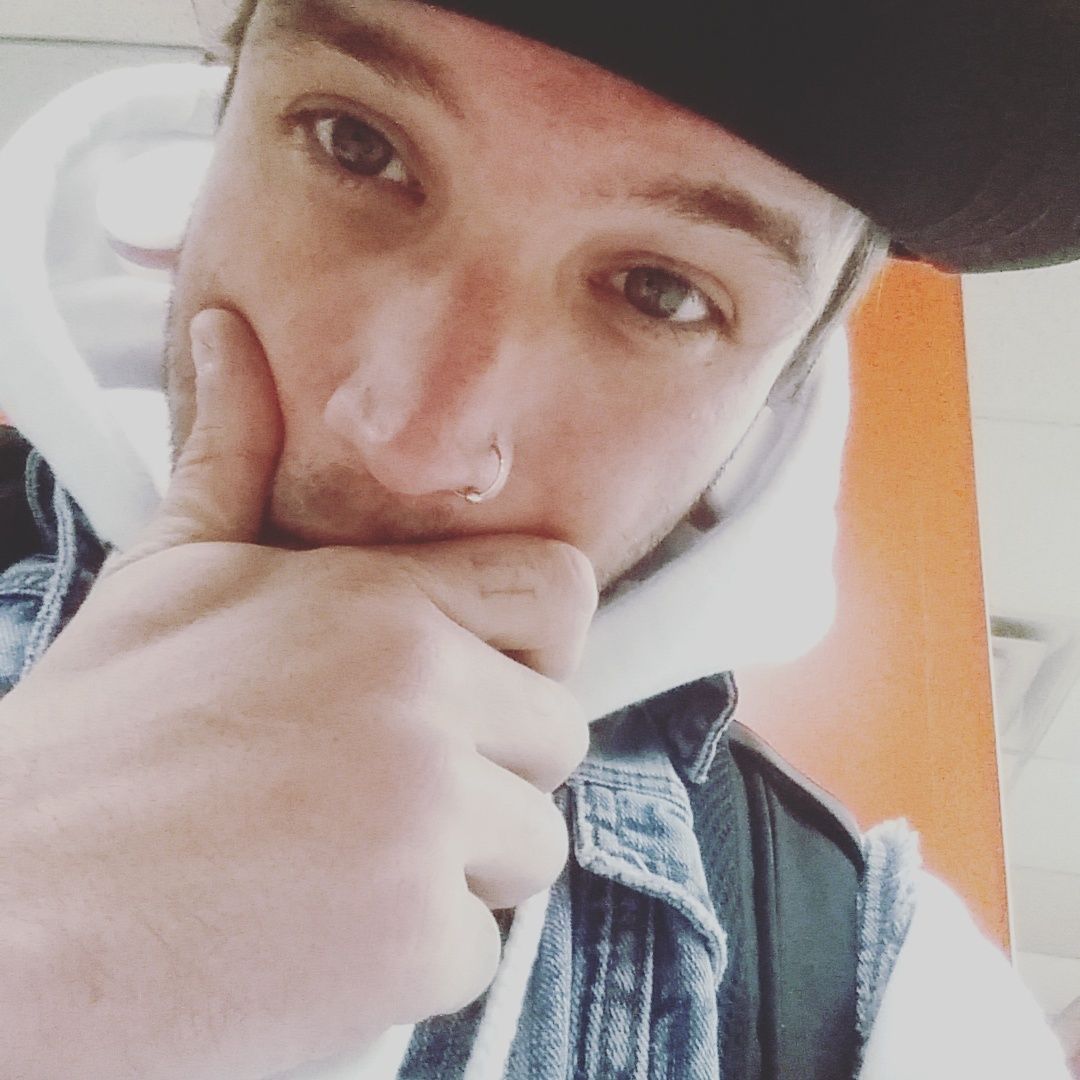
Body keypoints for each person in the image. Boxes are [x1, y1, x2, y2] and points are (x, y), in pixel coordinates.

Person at [0, 1, 1077, 1077]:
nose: (413, 441)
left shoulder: (888, 1006)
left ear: (768, 407)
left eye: (660, 293)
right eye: (356, 146)